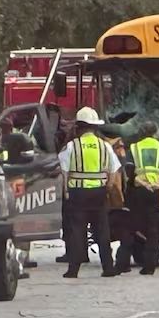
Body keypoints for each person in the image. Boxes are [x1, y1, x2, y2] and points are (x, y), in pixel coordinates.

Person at [59, 106, 121, 278]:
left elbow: (64, 173)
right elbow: (114, 171)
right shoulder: (105, 146)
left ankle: (73, 270)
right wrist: (107, 187)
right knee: (102, 230)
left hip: (77, 192)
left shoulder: (71, 146)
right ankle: (108, 268)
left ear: (79, 126)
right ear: (94, 127)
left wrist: (66, 192)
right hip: (99, 193)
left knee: (77, 230)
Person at [119, 121, 159, 275]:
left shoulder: (134, 148)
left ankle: (123, 263)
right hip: (155, 192)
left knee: (130, 227)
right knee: (152, 229)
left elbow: (130, 173)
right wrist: (155, 185)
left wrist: (144, 183)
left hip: (138, 191)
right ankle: (150, 266)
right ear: (156, 132)